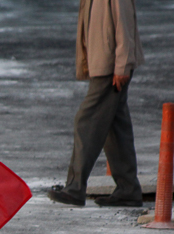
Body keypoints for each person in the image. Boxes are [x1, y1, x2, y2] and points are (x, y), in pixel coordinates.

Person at [49, 0, 144, 207]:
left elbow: (124, 22)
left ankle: (75, 189)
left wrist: (122, 65)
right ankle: (128, 190)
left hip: (110, 67)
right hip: (103, 63)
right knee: (116, 129)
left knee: (86, 121)